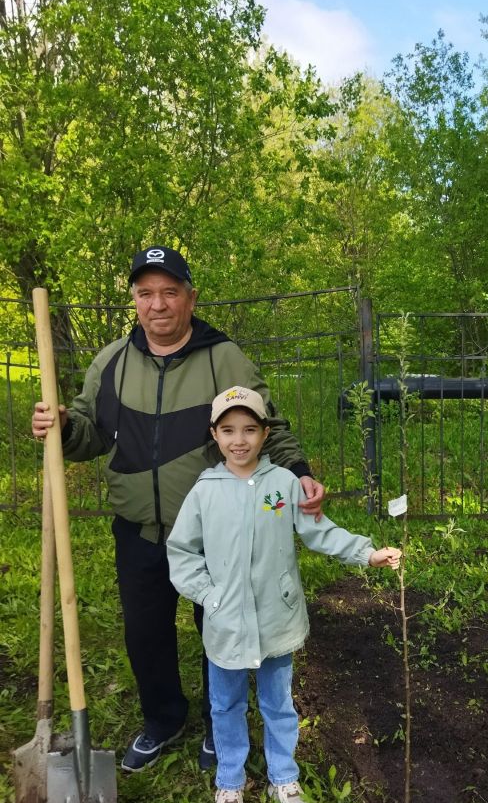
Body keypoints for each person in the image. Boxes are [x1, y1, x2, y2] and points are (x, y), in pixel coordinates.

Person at [31, 246, 325, 774]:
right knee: (145, 634)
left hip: (218, 534)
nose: (157, 304)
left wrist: (299, 470)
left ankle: (220, 725)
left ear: (190, 298)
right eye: (146, 293)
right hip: (139, 531)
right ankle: (163, 720)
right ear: (135, 301)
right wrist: (62, 428)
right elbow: (87, 433)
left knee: (221, 625)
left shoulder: (223, 359)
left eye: (170, 292)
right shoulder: (111, 363)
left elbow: (268, 426)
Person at [166, 385, 401, 803]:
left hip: (277, 618)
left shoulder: (284, 485)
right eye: (229, 430)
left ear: (265, 433)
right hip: (226, 625)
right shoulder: (204, 491)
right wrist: (209, 596)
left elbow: (321, 532)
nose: (240, 440)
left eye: (250, 430)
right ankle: (230, 782)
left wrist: (366, 553)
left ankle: (283, 777)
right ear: (214, 435)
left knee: (278, 701)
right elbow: (181, 552)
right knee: (225, 704)